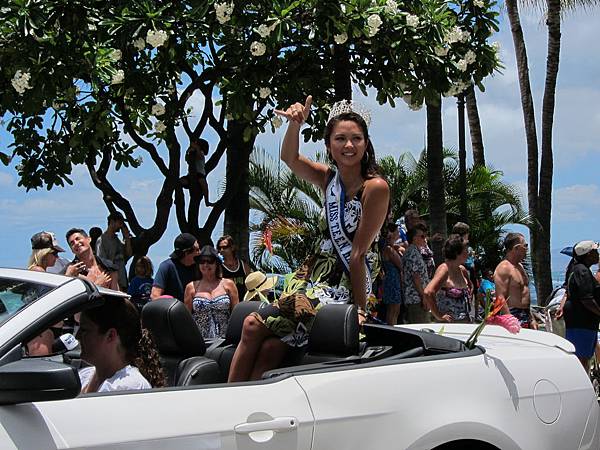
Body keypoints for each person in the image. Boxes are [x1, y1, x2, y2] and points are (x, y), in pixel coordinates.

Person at [227, 96, 389, 382]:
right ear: (329, 145)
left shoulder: (375, 187)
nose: (348, 145)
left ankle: (226, 401)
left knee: (252, 325)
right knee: (270, 347)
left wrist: (360, 310)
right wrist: (294, 125)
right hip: (312, 274)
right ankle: (244, 411)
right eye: (340, 139)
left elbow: (358, 254)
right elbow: (290, 158)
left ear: (366, 144)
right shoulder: (328, 179)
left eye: (356, 138)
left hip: (347, 282)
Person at [77, 297, 165, 393]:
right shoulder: (84, 375)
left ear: (110, 336)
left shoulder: (129, 386)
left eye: (84, 330)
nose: (77, 336)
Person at [184, 246, 239, 339]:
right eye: (202, 261)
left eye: (210, 261)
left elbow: (236, 314)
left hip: (225, 340)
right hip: (200, 341)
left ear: (216, 263)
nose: (205, 265)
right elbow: (186, 318)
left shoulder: (228, 284)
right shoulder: (191, 287)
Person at [561, 241, 600, 368]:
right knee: (581, 358)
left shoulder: (577, 269)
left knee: (584, 356)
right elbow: (587, 299)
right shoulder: (582, 271)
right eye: (595, 251)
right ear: (588, 254)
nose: (598, 254)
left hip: (582, 321)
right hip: (582, 322)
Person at [494, 232, 537, 329]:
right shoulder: (504, 268)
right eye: (525, 246)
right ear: (516, 248)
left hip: (525, 315)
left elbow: (524, 294)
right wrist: (510, 321)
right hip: (513, 314)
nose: (527, 249)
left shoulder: (520, 266)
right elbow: (500, 298)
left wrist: (532, 318)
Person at [424, 235, 469, 323]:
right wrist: (439, 315)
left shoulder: (462, 270)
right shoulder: (444, 269)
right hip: (449, 325)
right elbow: (428, 292)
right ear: (457, 252)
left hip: (464, 323)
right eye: (466, 250)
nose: (468, 253)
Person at [151, 233, 199, 302]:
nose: (199, 252)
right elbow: (155, 296)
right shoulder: (167, 266)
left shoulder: (201, 267)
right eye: (197, 250)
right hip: (172, 310)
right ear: (187, 253)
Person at [402, 222, 432, 324]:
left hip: (417, 298)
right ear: (414, 238)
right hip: (416, 299)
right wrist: (423, 297)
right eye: (422, 236)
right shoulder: (412, 253)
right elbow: (416, 277)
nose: (425, 238)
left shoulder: (415, 251)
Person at [96, 212, 133, 291]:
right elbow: (101, 260)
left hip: (122, 280)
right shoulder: (102, 240)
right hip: (112, 282)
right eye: (120, 223)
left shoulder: (117, 241)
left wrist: (127, 239)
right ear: (112, 222)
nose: (121, 226)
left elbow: (128, 254)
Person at [217, 235, 251, 300]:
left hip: (242, 304)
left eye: (225, 247)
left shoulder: (243, 265)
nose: (221, 250)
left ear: (232, 247)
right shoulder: (219, 268)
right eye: (219, 248)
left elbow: (250, 285)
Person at [381, 222, 403, 325]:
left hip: (392, 279)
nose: (399, 233)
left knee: (394, 309)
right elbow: (400, 264)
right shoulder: (389, 249)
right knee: (393, 309)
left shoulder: (389, 247)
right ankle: (391, 329)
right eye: (397, 231)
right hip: (392, 280)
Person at [181, 138, 213, 206]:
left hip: (200, 174)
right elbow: (187, 159)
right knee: (181, 181)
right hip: (190, 175)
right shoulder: (192, 152)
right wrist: (188, 151)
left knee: (204, 185)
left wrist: (196, 147)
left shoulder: (200, 153)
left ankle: (207, 201)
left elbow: (200, 156)